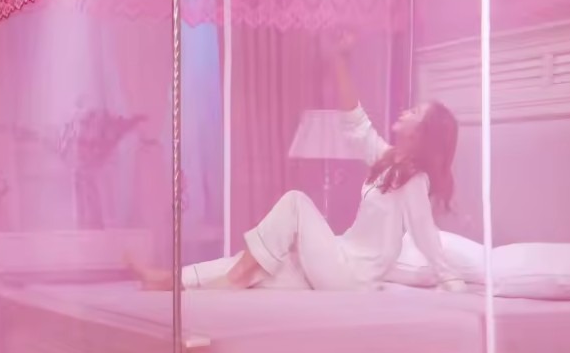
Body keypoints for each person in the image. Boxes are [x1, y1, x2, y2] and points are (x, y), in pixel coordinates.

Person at [132, 35, 466, 292]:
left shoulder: (414, 180)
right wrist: (338, 61)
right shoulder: (388, 161)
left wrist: (452, 282)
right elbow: (356, 123)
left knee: (295, 202)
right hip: (338, 258)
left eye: (415, 113)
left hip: (351, 276)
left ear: (422, 134)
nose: (406, 111)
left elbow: (425, 236)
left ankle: (232, 282)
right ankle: (169, 280)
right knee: (259, 262)